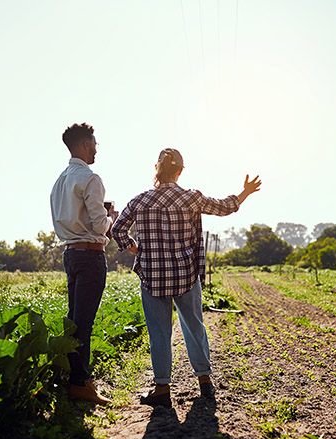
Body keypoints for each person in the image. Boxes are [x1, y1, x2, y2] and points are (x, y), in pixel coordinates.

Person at [111, 148, 261, 407]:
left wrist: (134, 247)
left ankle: (161, 387)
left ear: (156, 168)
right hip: (186, 275)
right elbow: (225, 207)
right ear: (180, 171)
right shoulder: (191, 198)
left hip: (152, 276)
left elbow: (117, 229)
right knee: (194, 327)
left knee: (159, 333)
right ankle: (205, 381)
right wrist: (245, 191)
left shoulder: (140, 201)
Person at [50, 123, 117, 405]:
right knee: (84, 322)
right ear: (87, 144)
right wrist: (111, 215)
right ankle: (81, 383)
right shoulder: (91, 179)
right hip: (90, 255)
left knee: (74, 319)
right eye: (95, 144)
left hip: (70, 254)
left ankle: (73, 379)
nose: (97, 149)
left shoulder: (59, 182)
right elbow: (101, 226)